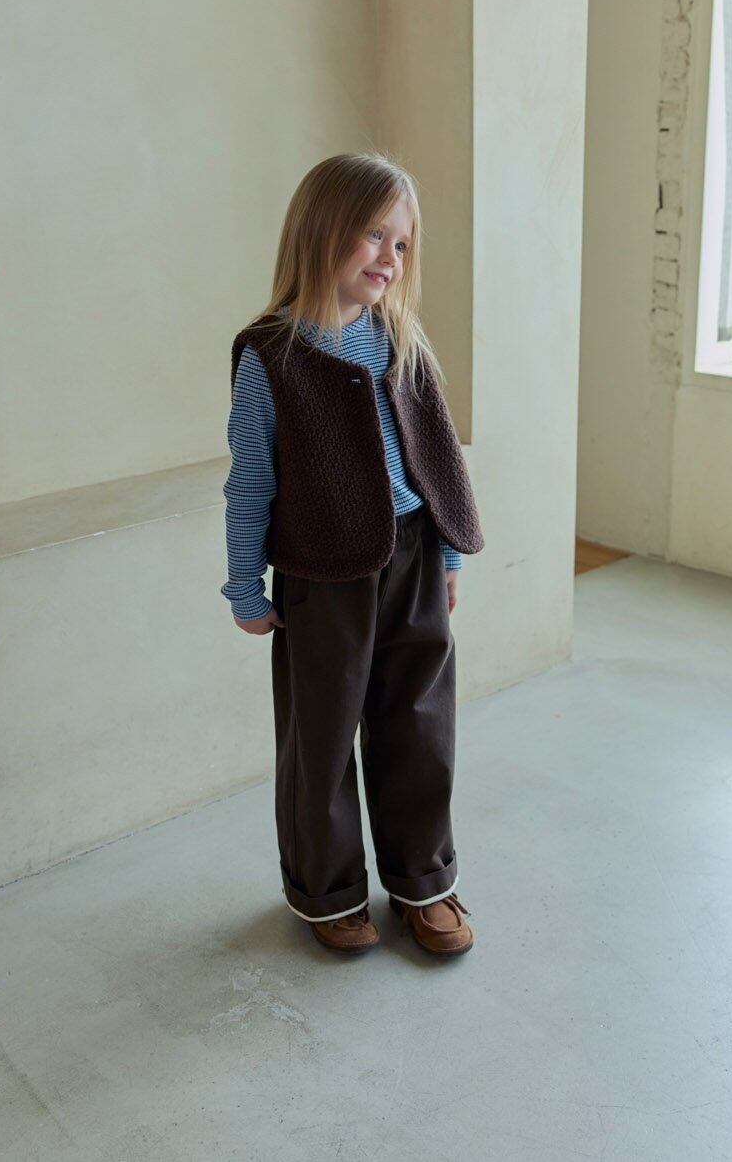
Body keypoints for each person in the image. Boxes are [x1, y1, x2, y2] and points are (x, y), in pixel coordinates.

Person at [222, 151, 485, 957]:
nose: (389, 257)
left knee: (420, 722)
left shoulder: (400, 339)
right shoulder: (271, 357)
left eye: (401, 243)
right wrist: (244, 585)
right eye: (372, 235)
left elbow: (434, 456)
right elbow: (251, 481)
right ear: (320, 231)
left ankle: (423, 882)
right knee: (323, 737)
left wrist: (447, 556)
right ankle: (327, 891)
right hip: (321, 574)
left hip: (412, 557)